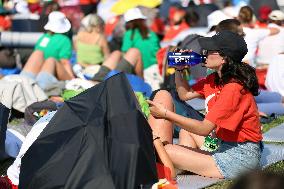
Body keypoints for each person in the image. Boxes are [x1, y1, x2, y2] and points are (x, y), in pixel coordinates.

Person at [147, 31, 263, 179]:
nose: (204, 53)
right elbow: (185, 94)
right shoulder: (214, 79)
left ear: (224, 59)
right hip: (223, 144)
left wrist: (165, 114)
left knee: (166, 150)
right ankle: (179, 163)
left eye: (209, 50)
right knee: (185, 132)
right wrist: (179, 69)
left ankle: (168, 165)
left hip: (240, 157)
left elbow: (204, 129)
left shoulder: (233, 88)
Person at [20, 11, 75, 91]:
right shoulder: (65, 40)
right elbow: (64, 62)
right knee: (51, 60)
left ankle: (22, 83)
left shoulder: (43, 38)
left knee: (37, 53)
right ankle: (42, 84)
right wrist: (72, 78)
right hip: (49, 74)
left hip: (36, 73)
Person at [122, 7, 162, 90]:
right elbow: (159, 51)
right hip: (157, 69)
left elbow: (126, 55)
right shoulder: (152, 33)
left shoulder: (129, 35)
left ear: (128, 23)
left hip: (141, 72)